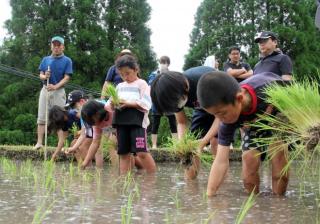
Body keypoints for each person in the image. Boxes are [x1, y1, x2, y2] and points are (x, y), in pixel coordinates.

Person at [197, 71, 289, 196]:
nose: (220, 119)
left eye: (222, 113)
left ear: (239, 99)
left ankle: (279, 205)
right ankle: (254, 207)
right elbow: (220, 160)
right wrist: (210, 195)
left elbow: (300, 95)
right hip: (254, 124)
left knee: (279, 163)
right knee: (248, 167)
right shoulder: (227, 121)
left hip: (279, 118)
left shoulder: (267, 88)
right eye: (215, 115)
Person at [150, 66, 219, 179]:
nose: (176, 106)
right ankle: (190, 187)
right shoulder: (173, 96)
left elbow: (220, 117)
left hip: (222, 102)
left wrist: (204, 141)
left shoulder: (204, 82)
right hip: (201, 108)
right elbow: (181, 122)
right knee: (191, 149)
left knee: (215, 142)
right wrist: (182, 145)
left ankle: (219, 185)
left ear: (184, 88)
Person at [109, 54, 156, 174]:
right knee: (123, 153)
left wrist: (128, 103)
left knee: (141, 152)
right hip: (121, 122)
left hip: (137, 123)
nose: (125, 77)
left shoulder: (142, 84)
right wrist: (114, 104)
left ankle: (152, 180)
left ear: (136, 70)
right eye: (121, 74)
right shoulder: (119, 86)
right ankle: (125, 183)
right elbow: (109, 105)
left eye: (128, 73)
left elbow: (146, 104)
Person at [34, 36, 73, 150]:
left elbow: (66, 78)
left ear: (63, 47)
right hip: (45, 89)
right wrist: (44, 76)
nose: (56, 47)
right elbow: (40, 74)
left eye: (58, 45)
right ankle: (39, 143)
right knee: (41, 117)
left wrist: (55, 86)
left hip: (59, 91)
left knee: (60, 118)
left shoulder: (67, 60)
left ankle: (60, 145)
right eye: (54, 45)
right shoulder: (45, 59)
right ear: (51, 46)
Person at [148, 56, 177, 149]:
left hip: (169, 102)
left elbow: (174, 87)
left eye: (165, 63)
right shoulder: (153, 74)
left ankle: (176, 144)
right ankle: (154, 145)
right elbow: (151, 85)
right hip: (157, 102)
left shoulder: (172, 74)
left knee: (173, 122)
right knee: (155, 123)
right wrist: (159, 75)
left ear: (168, 64)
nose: (163, 64)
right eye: (162, 62)